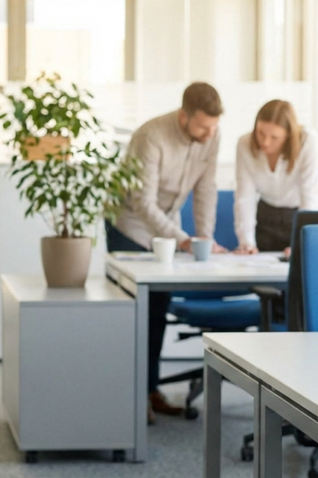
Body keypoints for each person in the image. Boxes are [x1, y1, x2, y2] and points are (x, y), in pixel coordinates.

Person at [106, 81, 226, 423]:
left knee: (157, 311)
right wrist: (183, 239)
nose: (208, 134)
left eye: (213, 127)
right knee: (133, 314)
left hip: (167, 228)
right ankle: (130, 395)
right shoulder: (152, 137)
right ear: (183, 116)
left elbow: (206, 188)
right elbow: (142, 202)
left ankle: (151, 389)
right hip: (129, 225)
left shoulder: (211, 135)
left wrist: (205, 237)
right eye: (202, 126)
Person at [233, 99, 318, 255]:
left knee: (301, 269)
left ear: (287, 136)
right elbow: (244, 197)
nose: (265, 142)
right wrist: (246, 242)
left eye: (274, 137)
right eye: (261, 133)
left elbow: (310, 196)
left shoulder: (307, 141)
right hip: (266, 217)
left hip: (299, 215)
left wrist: (301, 243)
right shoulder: (245, 144)